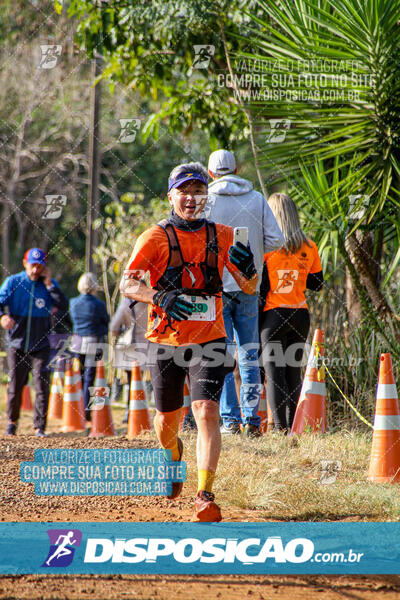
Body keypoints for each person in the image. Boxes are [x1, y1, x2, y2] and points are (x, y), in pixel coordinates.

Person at [121, 162, 258, 522]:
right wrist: (159, 298)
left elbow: (249, 287)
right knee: (168, 420)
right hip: (164, 339)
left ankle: (205, 495)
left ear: (207, 197)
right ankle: (171, 456)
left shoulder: (226, 236)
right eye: (184, 191)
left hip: (210, 337)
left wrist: (250, 269)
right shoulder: (154, 237)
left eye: (199, 192)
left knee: (206, 411)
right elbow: (128, 284)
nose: (192, 198)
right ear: (171, 196)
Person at [206, 149, 284, 436]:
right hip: (249, 285)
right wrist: (255, 254)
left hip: (216, 289)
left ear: (211, 172)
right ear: (237, 168)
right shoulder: (256, 199)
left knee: (222, 354)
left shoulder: (206, 201)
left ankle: (229, 421)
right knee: (249, 354)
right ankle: (252, 420)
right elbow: (276, 239)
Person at [260, 193, 324, 432]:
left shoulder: (267, 248)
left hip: (273, 315)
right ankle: (296, 425)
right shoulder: (309, 246)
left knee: (274, 375)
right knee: (293, 374)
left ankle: (279, 428)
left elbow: (261, 287)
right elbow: (317, 283)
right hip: (299, 315)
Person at [0, 248, 69, 436]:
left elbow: (62, 305)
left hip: (42, 344)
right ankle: (12, 423)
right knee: (15, 386)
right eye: (33, 265)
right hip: (17, 344)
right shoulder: (13, 282)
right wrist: (3, 317)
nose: (35, 270)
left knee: (41, 386)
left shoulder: (48, 285)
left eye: (40, 266)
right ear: (25, 263)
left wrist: (48, 284)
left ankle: (40, 428)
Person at [69, 272, 109, 421]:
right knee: (90, 377)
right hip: (93, 342)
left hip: (76, 342)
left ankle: (75, 409)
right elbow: (106, 321)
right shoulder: (99, 304)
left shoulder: (73, 302)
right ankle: (87, 412)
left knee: (77, 376)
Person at [109, 294, 150, 423]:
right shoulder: (149, 301)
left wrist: (119, 335)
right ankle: (141, 410)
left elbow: (113, 327)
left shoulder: (126, 303)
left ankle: (129, 412)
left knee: (130, 380)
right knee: (141, 381)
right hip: (147, 346)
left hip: (129, 346)